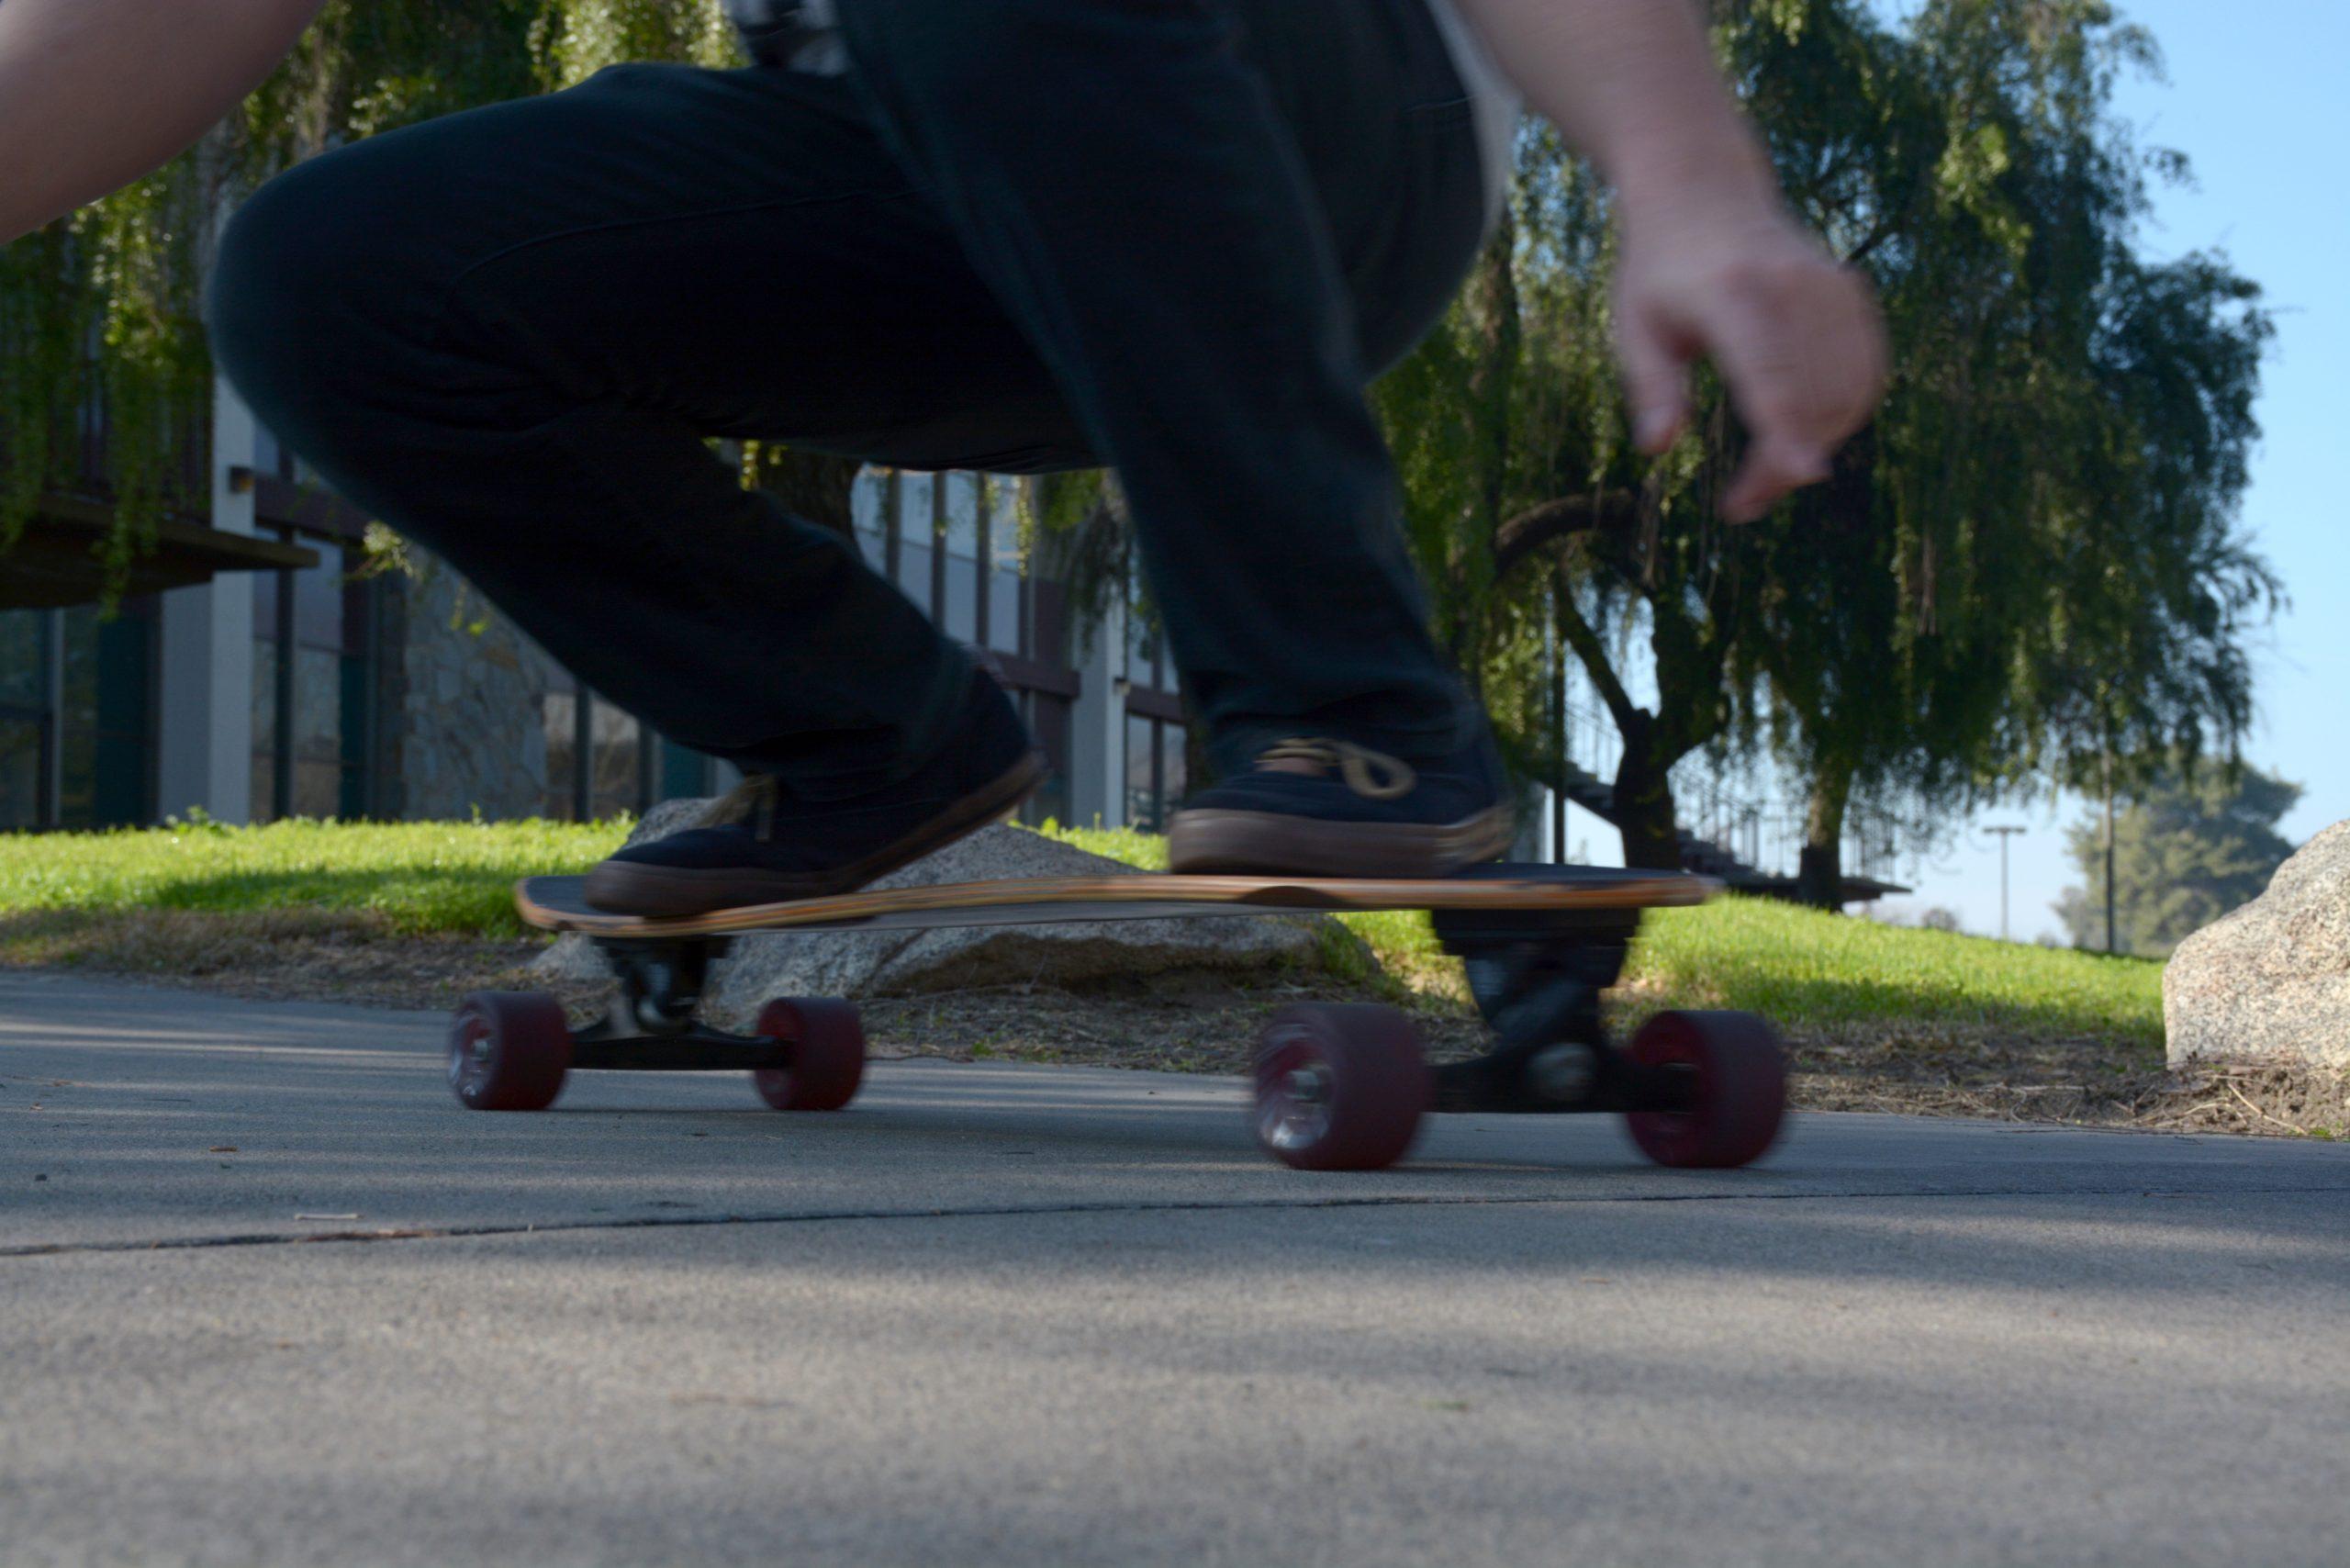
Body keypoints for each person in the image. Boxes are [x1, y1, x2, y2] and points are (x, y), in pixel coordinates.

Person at [0, 0, 1883, 916]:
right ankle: (855, 739)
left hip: (1299, 139)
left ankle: (1357, 712)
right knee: (329, 272)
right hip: (921, 174)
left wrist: (1691, 184)